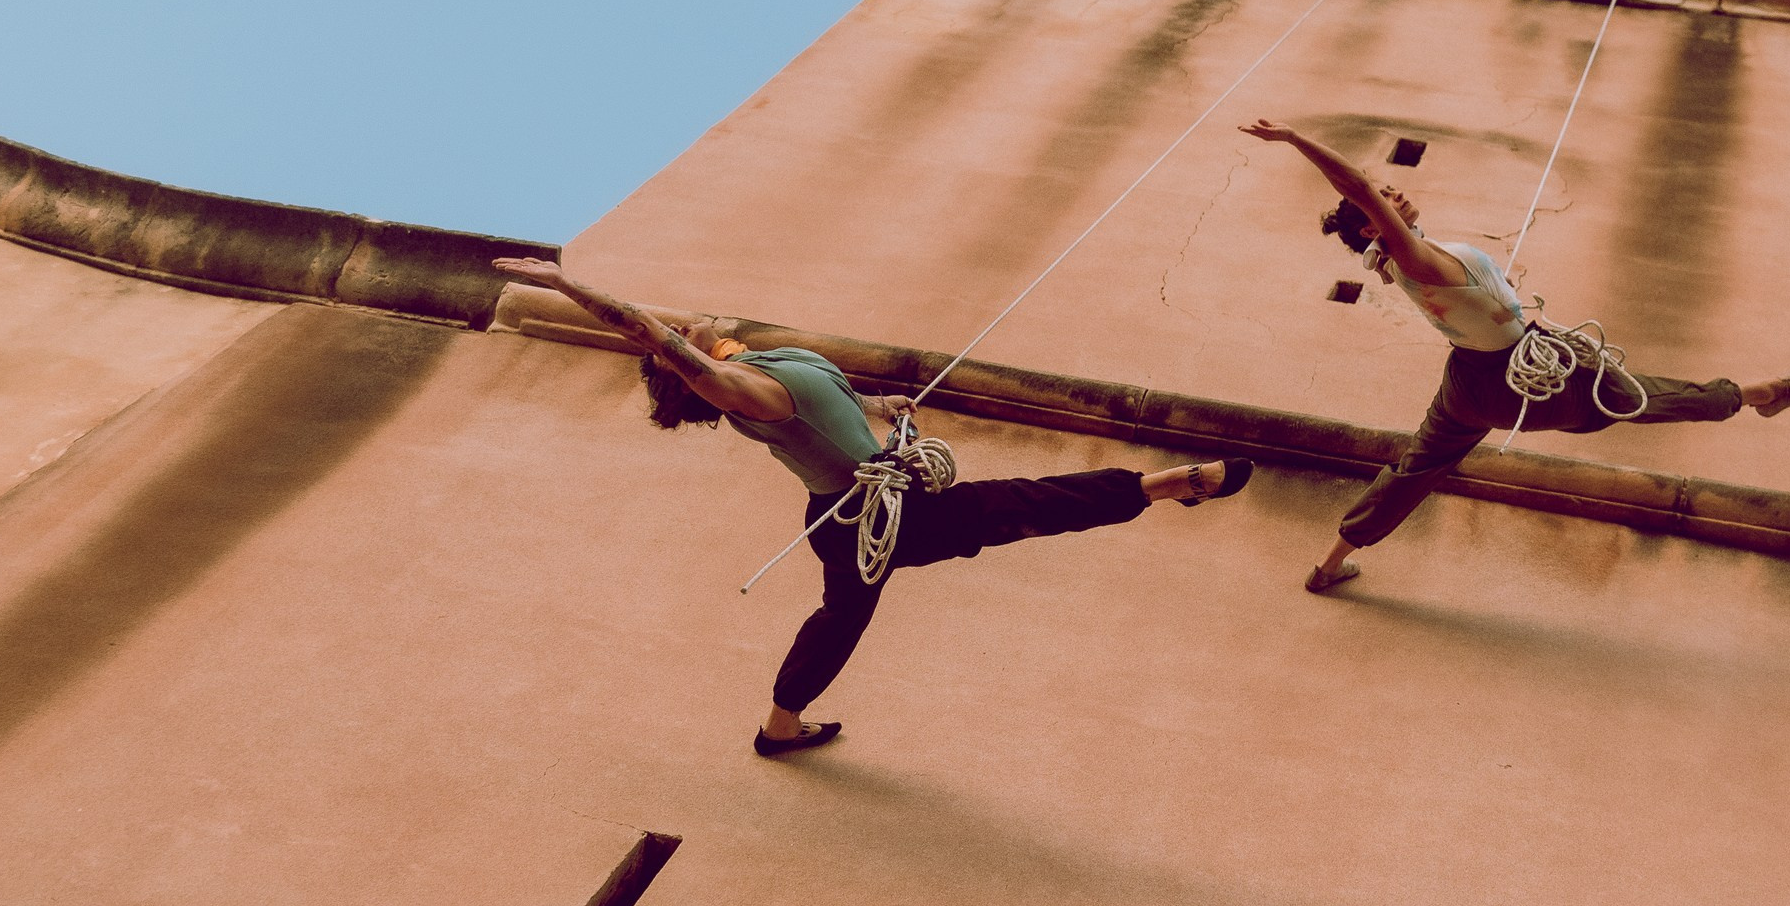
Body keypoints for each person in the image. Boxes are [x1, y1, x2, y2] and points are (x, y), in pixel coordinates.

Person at [492, 258, 1253, 755]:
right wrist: (564, 286)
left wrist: (877, 402)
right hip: (868, 517)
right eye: (679, 340)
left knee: (843, 618)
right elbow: (646, 328)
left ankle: (779, 726)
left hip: (864, 511)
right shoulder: (741, 390)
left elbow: (830, 400)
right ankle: (1169, 484)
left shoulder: (765, 358)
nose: (688, 321)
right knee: (1017, 504)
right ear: (680, 363)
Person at [1236, 120, 1790, 593]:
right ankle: (1754, 395)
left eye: (1390, 189)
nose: (1392, 192)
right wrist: (1293, 140)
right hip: (1512, 381)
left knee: (1417, 467)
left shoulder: (1398, 261)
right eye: (1382, 200)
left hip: (1467, 382)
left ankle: (1331, 561)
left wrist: (1525, 318)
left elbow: (1460, 290)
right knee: (1633, 396)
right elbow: (1359, 189)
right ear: (1375, 230)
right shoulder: (1410, 256)